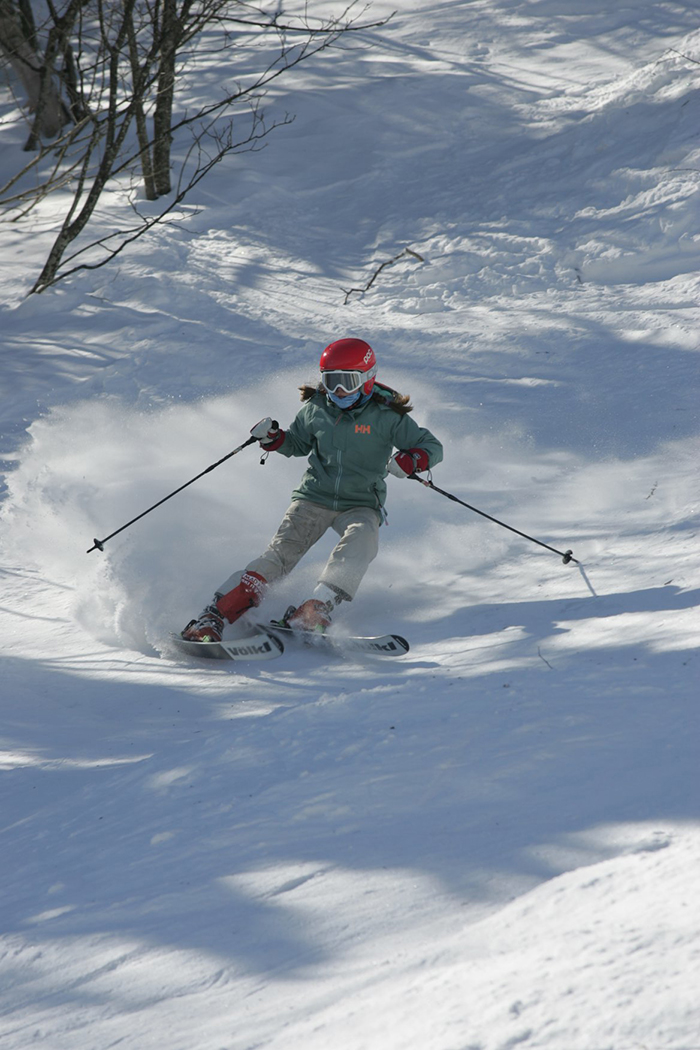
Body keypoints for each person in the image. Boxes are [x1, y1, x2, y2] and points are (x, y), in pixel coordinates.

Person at [181, 337, 443, 641]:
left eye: (347, 381)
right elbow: (298, 443)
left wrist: (413, 460)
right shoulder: (317, 408)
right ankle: (213, 617)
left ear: (368, 379)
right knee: (280, 555)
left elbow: (431, 446)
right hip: (313, 497)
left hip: (360, 501)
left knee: (363, 539)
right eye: (331, 382)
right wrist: (274, 438)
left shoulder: (388, 416)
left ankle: (315, 607)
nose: (338, 391)